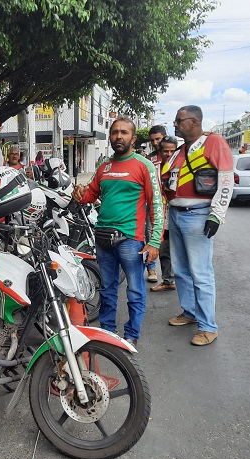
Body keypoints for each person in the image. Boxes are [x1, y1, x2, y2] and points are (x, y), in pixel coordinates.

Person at [72, 116, 164, 346]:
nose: (118, 136)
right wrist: (80, 194)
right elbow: (91, 194)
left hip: (131, 240)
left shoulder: (144, 165)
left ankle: (131, 335)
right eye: (115, 132)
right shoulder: (104, 166)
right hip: (103, 237)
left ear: (133, 138)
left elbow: (156, 206)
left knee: (135, 290)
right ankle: (108, 333)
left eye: (124, 132)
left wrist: (154, 242)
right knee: (107, 290)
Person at [161, 105, 233, 346]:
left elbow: (225, 180)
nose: (175, 124)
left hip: (198, 215)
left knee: (201, 273)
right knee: (181, 270)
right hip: (177, 214)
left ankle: (208, 326)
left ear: (194, 121)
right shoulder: (181, 150)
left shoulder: (214, 142)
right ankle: (190, 312)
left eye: (179, 120)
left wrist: (216, 214)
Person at [150, 135, 179, 292]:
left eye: (172, 151)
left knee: (182, 252)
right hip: (162, 216)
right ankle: (168, 280)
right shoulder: (154, 169)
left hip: (179, 216)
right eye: (165, 151)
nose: (168, 154)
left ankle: (186, 283)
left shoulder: (181, 168)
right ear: (160, 152)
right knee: (164, 249)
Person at [145, 125, 168, 283]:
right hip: (152, 204)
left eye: (158, 139)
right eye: (152, 140)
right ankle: (151, 269)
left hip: (171, 205)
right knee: (150, 235)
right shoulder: (150, 159)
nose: (154, 142)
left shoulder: (176, 155)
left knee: (167, 240)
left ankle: (169, 277)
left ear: (165, 137)